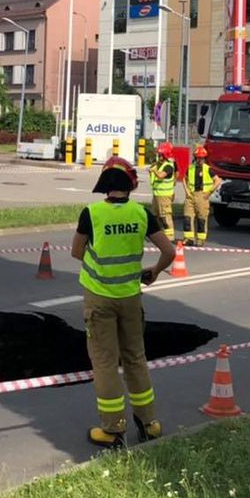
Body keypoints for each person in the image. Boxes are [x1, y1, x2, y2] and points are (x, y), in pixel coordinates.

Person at [71, 156, 176, 448]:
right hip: (131, 297)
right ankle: (149, 423)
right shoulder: (142, 214)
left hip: (99, 298)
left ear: (105, 185)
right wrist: (152, 273)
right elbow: (168, 252)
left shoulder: (91, 213)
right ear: (131, 185)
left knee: (105, 362)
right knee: (135, 358)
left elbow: (76, 252)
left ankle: (113, 429)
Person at [182, 145, 221, 246]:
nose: (200, 160)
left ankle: (200, 239)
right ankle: (188, 238)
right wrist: (186, 191)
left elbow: (217, 180)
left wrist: (209, 192)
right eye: (198, 158)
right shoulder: (190, 168)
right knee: (187, 217)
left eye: (202, 158)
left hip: (202, 196)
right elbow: (184, 179)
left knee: (201, 219)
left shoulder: (208, 169)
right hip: (191, 195)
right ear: (195, 158)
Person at [149, 142, 177, 241]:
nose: (159, 157)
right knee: (155, 216)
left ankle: (169, 237)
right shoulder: (159, 165)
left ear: (165, 156)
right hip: (157, 195)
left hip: (164, 196)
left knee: (165, 217)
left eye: (161, 155)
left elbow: (161, 175)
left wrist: (154, 171)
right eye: (159, 155)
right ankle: (158, 236)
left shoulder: (168, 166)